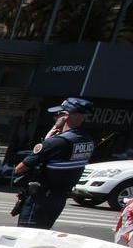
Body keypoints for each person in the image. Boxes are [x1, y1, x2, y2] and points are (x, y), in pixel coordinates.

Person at [14, 97, 94, 230]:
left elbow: (20, 169)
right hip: (59, 198)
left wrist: (49, 138)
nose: (56, 117)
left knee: (26, 234)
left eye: (59, 114)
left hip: (40, 198)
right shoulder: (87, 141)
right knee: (42, 232)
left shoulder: (56, 142)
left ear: (65, 116)